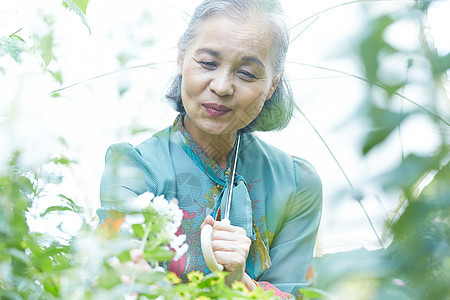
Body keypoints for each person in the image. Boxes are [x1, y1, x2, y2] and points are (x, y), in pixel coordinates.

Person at [96, 0, 322, 298]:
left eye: (247, 73)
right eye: (208, 63)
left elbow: (296, 293)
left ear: (272, 84)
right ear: (181, 57)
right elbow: (116, 278)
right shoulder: (133, 168)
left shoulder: (296, 184)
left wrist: (243, 283)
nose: (222, 86)